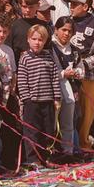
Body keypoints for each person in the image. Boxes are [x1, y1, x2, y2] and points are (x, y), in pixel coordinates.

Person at [65, 0, 94, 149]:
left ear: (85, 6)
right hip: (68, 75)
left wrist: (84, 63)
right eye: (70, 3)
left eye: (75, 4)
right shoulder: (66, 22)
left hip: (89, 75)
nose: (71, 7)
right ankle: (70, 146)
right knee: (70, 113)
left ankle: (83, 145)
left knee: (86, 113)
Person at [17, 25, 61, 167]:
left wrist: (57, 98)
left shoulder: (48, 56)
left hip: (47, 100)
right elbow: (22, 80)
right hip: (32, 102)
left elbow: (54, 77)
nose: (37, 42)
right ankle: (33, 159)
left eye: (40, 40)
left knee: (48, 131)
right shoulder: (25, 58)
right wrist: (26, 99)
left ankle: (48, 157)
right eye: (34, 39)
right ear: (28, 40)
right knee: (32, 132)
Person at [50, 16, 83, 156]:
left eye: (69, 31)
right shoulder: (50, 48)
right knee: (52, 123)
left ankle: (67, 151)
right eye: (63, 30)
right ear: (56, 30)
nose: (66, 34)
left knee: (68, 122)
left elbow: (81, 69)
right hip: (53, 89)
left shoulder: (74, 50)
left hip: (69, 90)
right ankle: (51, 150)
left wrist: (77, 73)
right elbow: (48, 71)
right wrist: (63, 73)